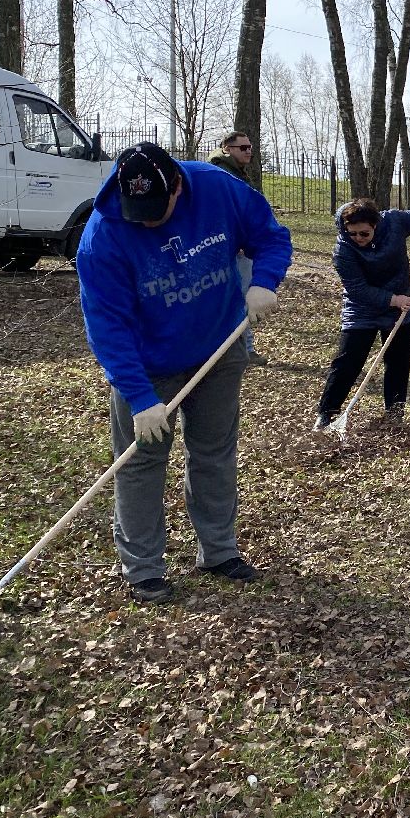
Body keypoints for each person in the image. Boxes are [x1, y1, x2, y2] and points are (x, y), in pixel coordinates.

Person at [76, 142, 293, 604]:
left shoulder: (217, 188)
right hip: (149, 364)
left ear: (177, 185)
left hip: (219, 346)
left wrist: (263, 282)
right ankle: (143, 569)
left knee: (214, 451)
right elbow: (106, 324)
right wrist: (139, 397)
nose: (148, 220)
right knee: (140, 464)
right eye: (139, 211)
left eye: (157, 209)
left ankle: (218, 551)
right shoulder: (103, 237)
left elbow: (270, 235)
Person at [314, 198, 410, 431]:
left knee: (398, 361)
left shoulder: (394, 222)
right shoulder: (343, 249)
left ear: (376, 225)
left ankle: (394, 414)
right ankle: (327, 414)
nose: (358, 238)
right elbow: (357, 289)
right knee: (348, 361)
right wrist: (394, 300)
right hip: (362, 309)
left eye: (364, 234)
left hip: (400, 307)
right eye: (353, 233)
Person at [208, 130, 268, 366]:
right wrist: (237, 241)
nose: (249, 151)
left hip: (239, 246)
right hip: (232, 249)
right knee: (241, 299)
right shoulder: (223, 175)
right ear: (227, 150)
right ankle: (244, 351)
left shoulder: (235, 173)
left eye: (250, 147)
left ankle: (239, 349)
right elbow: (221, 213)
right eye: (243, 148)